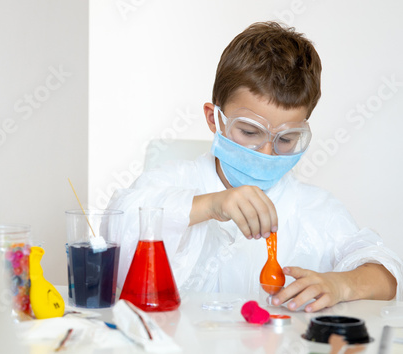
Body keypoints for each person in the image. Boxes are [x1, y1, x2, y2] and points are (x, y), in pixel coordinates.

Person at [107, 21, 402, 312]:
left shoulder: (314, 208)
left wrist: (340, 285)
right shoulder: (172, 180)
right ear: (214, 119)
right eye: (249, 132)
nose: (266, 152)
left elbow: (386, 278)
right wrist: (211, 205)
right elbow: (117, 230)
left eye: (286, 138)